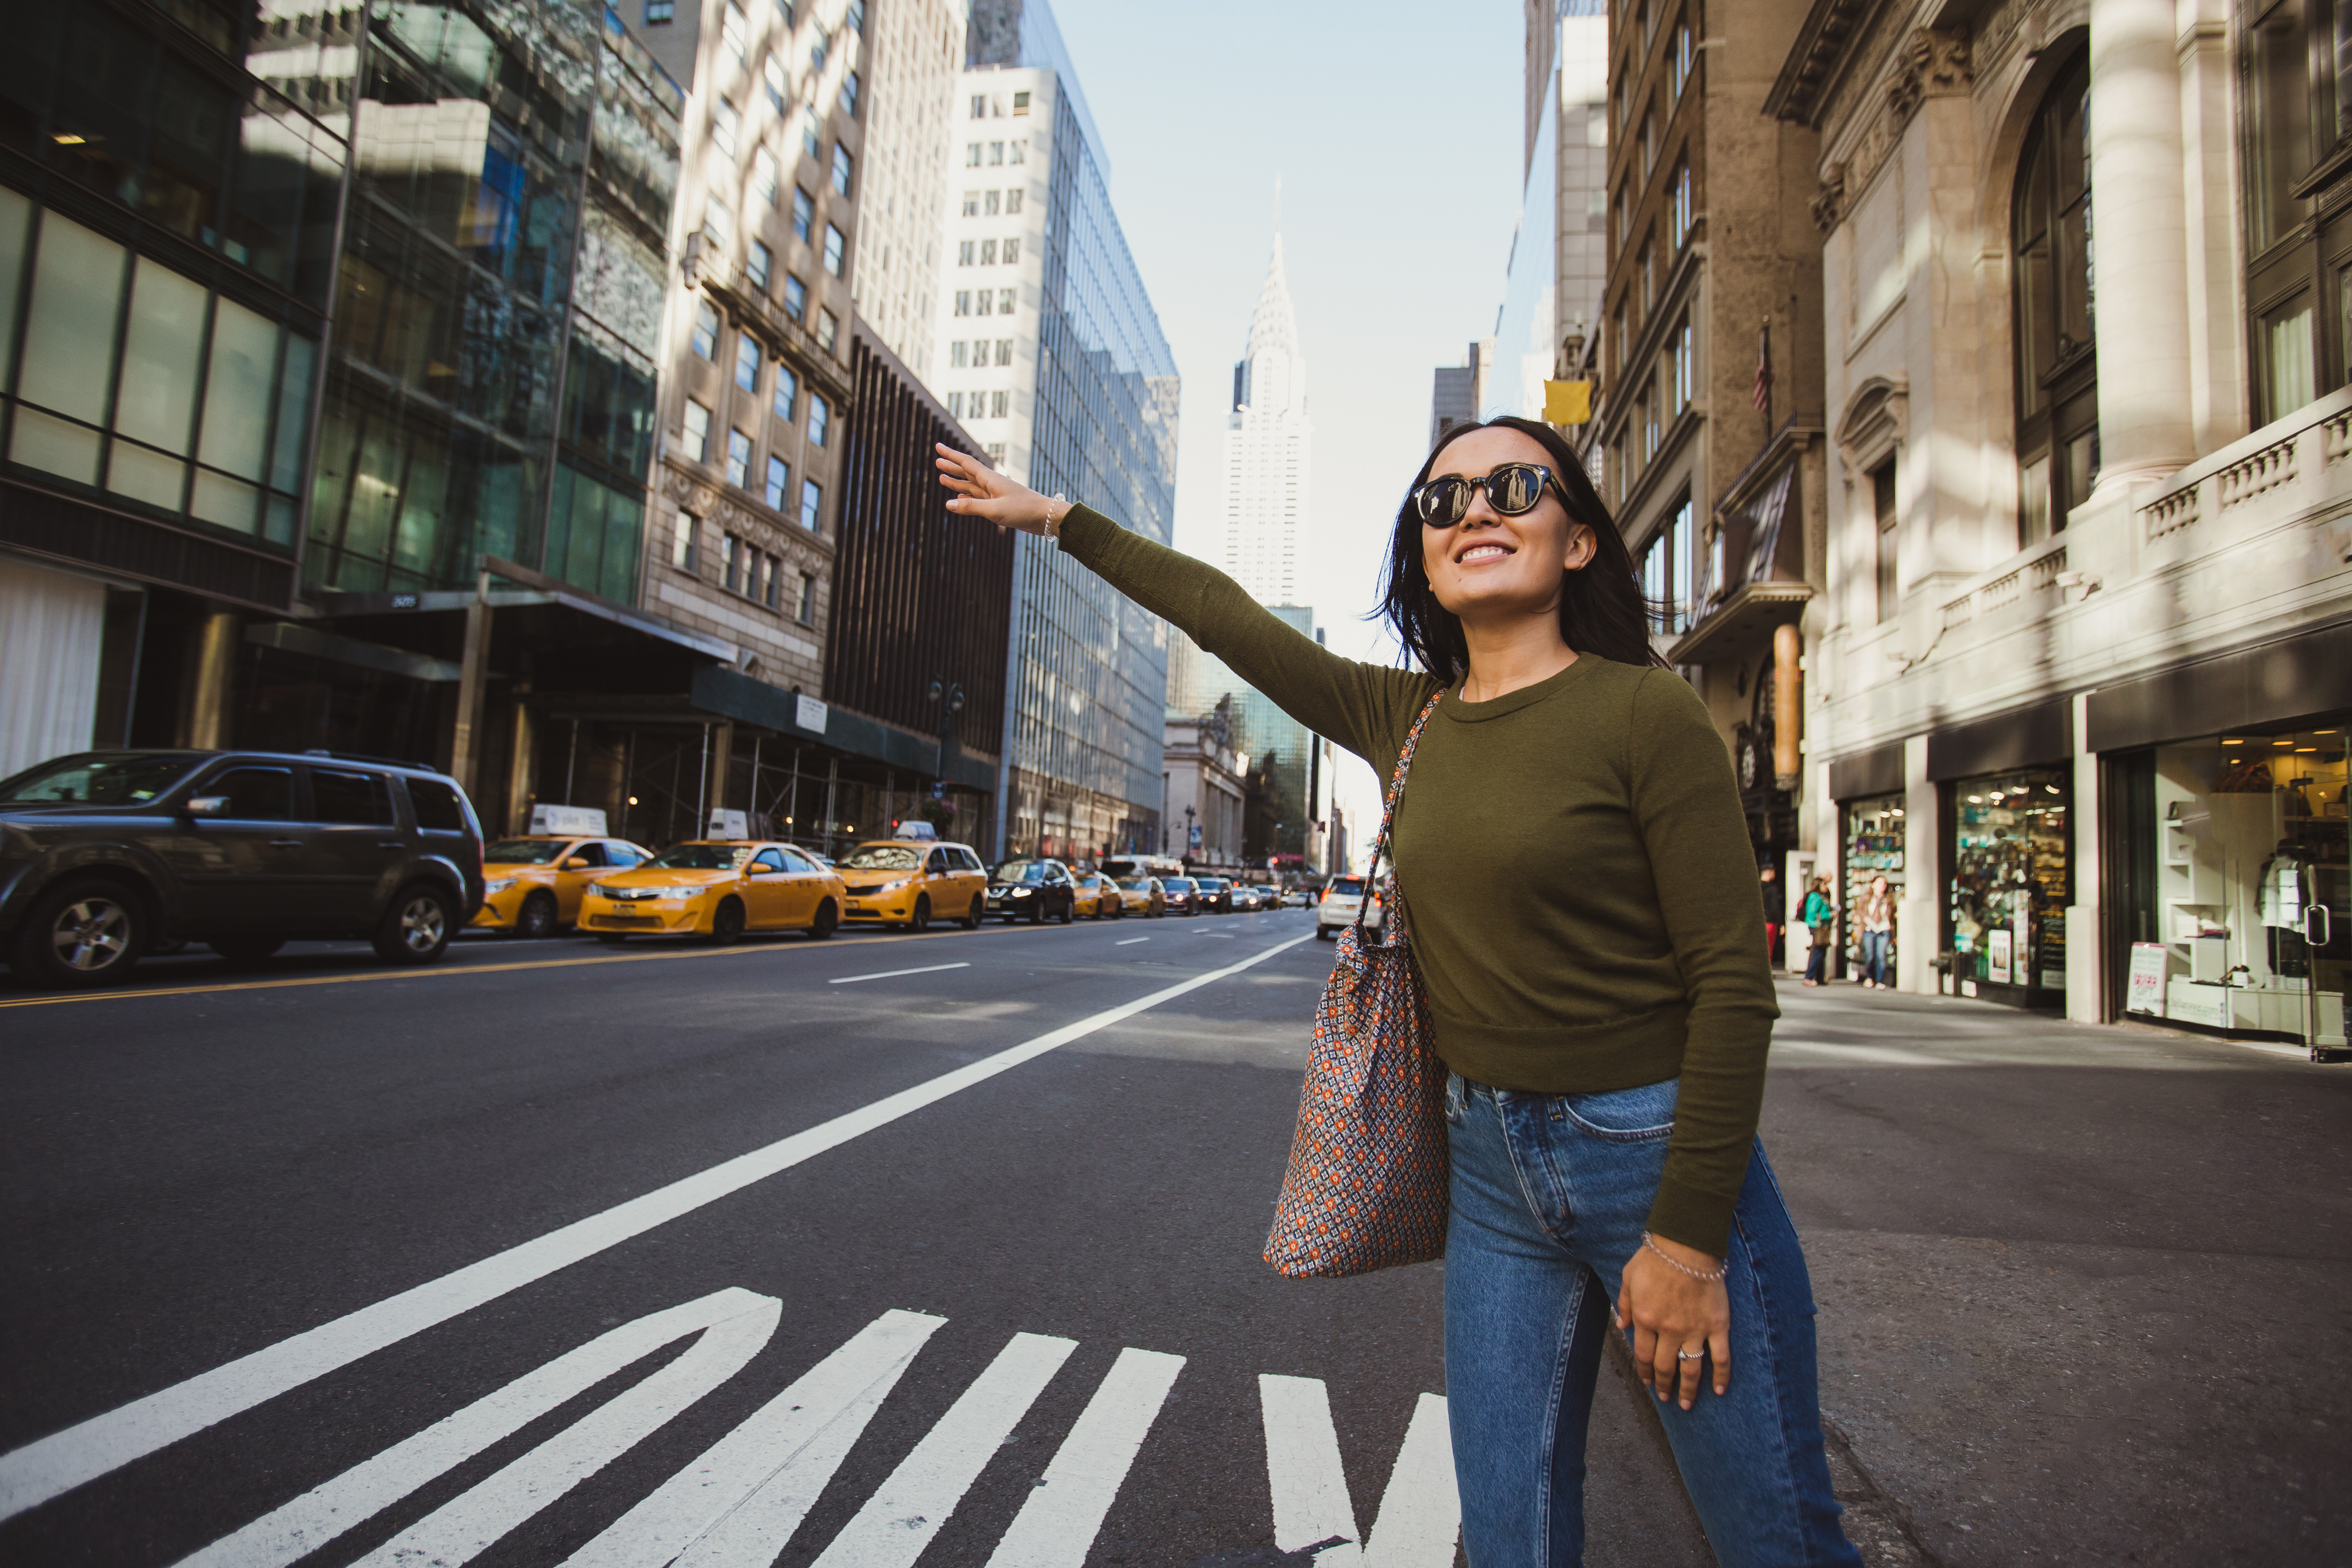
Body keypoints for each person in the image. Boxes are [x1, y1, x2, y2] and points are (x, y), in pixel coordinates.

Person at [936, 418, 1857, 1567]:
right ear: (1421, 555)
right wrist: (1056, 518)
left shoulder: (1643, 712)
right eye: (1441, 500)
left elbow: (1731, 983)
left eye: (1512, 486)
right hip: (1487, 1167)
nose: (1473, 509)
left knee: (1773, 1535)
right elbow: (1221, 612)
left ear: (1575, 542)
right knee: (1507, 1533)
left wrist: (1681, 1243)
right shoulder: (1403, 718)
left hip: (1651, 1150)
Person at [1859, 875, 1895, 989]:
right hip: (1869, 929)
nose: (1882, 886)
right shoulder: (1866, 898)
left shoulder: (1888, 899)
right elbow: (1861, 911)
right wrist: (1867, 920)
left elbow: (1892, 915)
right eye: (1879, 883)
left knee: (1881, 956)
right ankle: (1870, 977)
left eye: (1884, 884)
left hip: (1884, 929)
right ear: (1873, 885)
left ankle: (1880, 980)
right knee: (1870, 955)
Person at [1800, 877, 1836, 988]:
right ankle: (1809, 977)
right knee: (1818, 952)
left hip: (1822, 926)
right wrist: (1829, 915)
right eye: (1824, 885)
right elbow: (1813, 913)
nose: (1826, 887)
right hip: (1817, 927)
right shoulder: (1815, 897)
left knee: (1822, 952)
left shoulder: (1822, 896)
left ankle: (1819, 978)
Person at [1759, 864, 1783, 971]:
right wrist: (1781, 923)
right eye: (1773, 872)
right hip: (1770, 922)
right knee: (1769, 947)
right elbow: (1775, 907)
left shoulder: (1755, 886)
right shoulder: (1772, 888)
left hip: (1757, 921)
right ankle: (1766, 970)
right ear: (1769, 873)